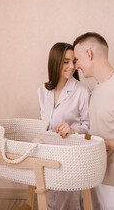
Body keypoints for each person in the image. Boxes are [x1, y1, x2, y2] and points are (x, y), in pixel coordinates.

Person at [73, 32, 114, 210]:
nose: (76, 65)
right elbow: (100, 130)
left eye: (77, 58)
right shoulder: (97, 88)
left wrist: (104, 145)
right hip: (98, 173)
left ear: (89, 54)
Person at [37, 42, 90, 210]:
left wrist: (73, 130)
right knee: (47, 199)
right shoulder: (42, 91)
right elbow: (43, 122)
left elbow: (90, 125)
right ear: (55, 62)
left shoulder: (82, 90)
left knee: (67, 202)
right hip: (46, 154)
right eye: (66, 61)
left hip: (70, 155)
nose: (72, 66)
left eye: (73, 61)